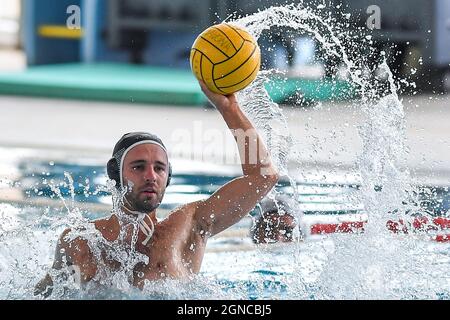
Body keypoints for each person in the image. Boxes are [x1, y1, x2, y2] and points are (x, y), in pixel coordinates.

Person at [34, 81, 279, 297]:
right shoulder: (80, 242)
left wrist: (230, 109)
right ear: (115, 173)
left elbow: (263, 177)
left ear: (168, 176)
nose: (151, 176)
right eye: (139, 167)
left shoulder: (189, 227)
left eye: (160, 168)